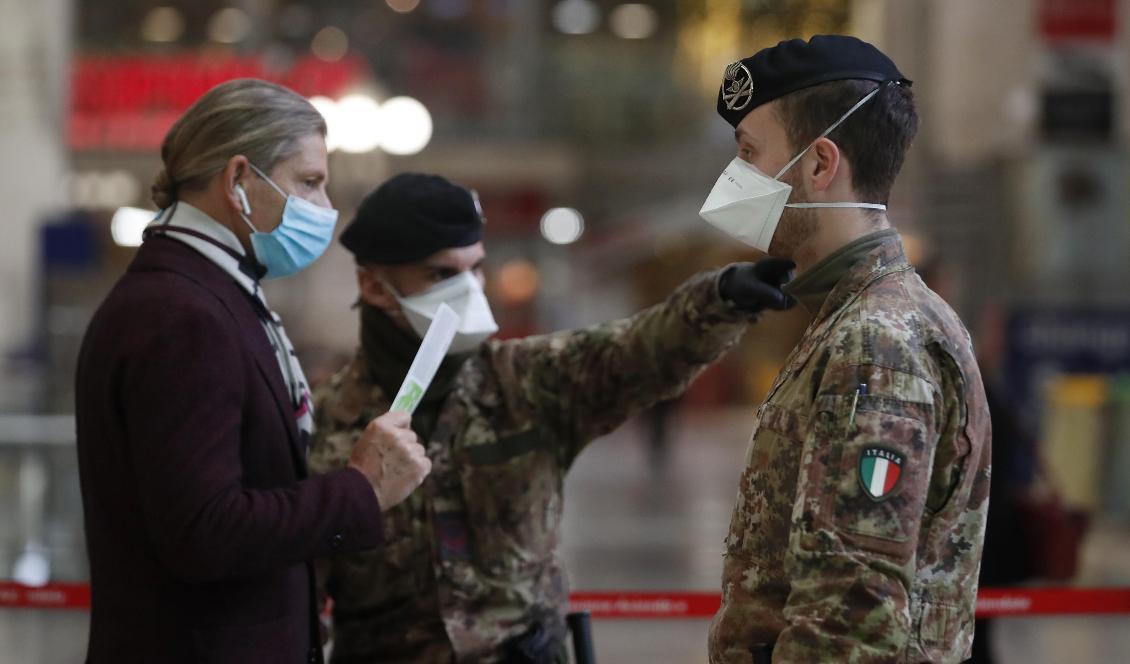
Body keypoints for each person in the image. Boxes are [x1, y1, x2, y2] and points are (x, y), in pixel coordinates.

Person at [307, 172, 795, 662]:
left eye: (475, 269)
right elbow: (297, 583)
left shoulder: (524, 381)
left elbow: (638, 350)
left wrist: (724, 298)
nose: (469, 289)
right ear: (373, 285)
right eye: (441, 275)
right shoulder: (322, 424)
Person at [74, 79, 431, 664]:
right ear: (239, 180)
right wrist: (359, 490)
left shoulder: (209, 293)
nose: (325, 207)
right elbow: (204, 531)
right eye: (309, 182)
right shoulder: (182, 316)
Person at [700, 36, 992, 663]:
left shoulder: (875, 343)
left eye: (750, 154)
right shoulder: (859, 319)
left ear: (819, 163)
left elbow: (847, 618)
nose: (734, 181)